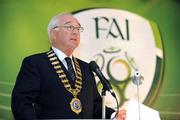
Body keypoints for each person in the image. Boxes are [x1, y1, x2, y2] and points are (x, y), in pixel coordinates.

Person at [11, 13, 126, 119]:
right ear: (53, 33)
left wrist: (112, 115)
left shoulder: (86, 68)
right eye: (69, 27)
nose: (76, 32)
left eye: (78, 28)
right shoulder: (35, 63)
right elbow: (21, 103)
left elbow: (94, 105)